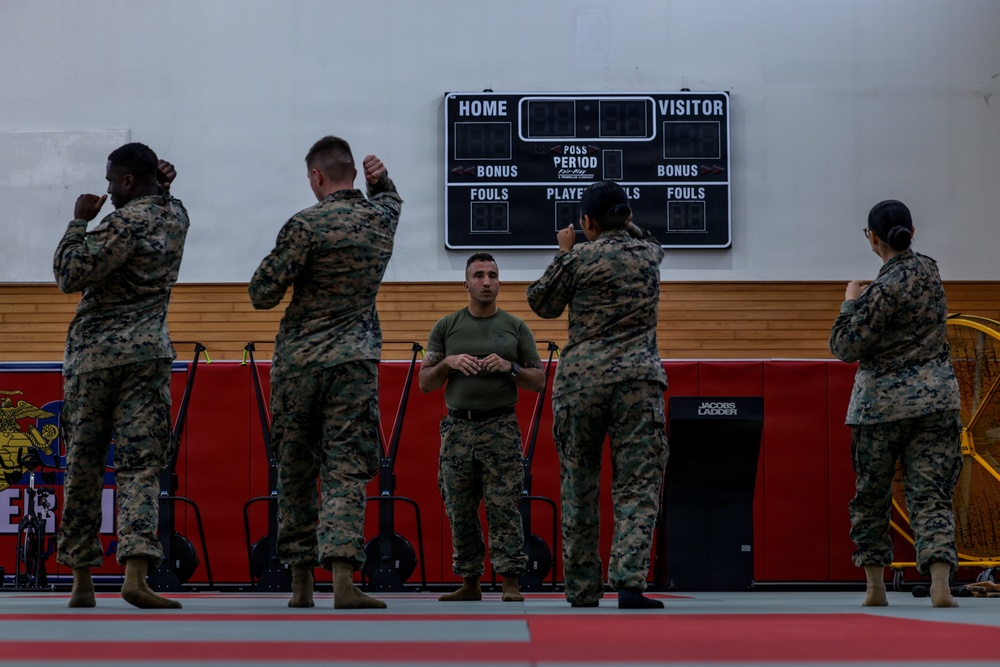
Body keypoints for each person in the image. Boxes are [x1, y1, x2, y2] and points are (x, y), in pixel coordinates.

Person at [249, 136, 401, 610]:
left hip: (299, 364)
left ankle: (299, 585)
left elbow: (262, 293)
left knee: (295, 467)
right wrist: (382, 181)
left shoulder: (305, 224)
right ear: (353, 173)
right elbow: (392, 200)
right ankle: (341, 578)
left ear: (316, 177)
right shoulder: (381, 220)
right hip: (354, 362)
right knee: (347, 468)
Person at [53, 142, 188, 609]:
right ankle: (135, 574)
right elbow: (167, 202)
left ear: (128, 181)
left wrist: (77, 221)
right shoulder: (177, 218)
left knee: (84, 467)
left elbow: (71, 273)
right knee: (141, 466)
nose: (108, 191)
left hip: (94, 359)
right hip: (147, 357)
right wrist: (166, 188)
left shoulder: (122, 222)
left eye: (112, 181)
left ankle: (82, 582)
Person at [527, 181, 668, 609]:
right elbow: (650, 239)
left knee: (579, 484)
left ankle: (583, 590)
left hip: (581, 384)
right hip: (638, 382)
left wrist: (564, 252)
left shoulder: (578, 259)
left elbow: (541, 303)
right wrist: (625, 224)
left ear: (586, 222)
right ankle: (628, 583)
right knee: (638, 484)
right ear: (626, 217)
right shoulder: (649, 255)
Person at [830, 199, 962, 608]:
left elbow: (844, 346)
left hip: (881, 407)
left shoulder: (881, 290)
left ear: (872, 239)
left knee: (872, 495)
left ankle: (875, 588)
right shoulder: (931, 270)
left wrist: (850, 300)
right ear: (912, 232)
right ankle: (940, 583)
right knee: (931, 494)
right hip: (937, 401)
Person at [418, 253, 545, 602]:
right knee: (459, 507)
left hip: (500, 426)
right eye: (479, 275)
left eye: (492, 275)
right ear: (466, 283)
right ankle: (470, 582)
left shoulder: (516, 327)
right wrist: (447, 362)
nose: (486, 281)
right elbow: (425, 383)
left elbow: (539, 381)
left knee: (503, 506)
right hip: (458, 430)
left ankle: (510, 582)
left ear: (500, 283)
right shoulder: (446, 327)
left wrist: (511, 368)